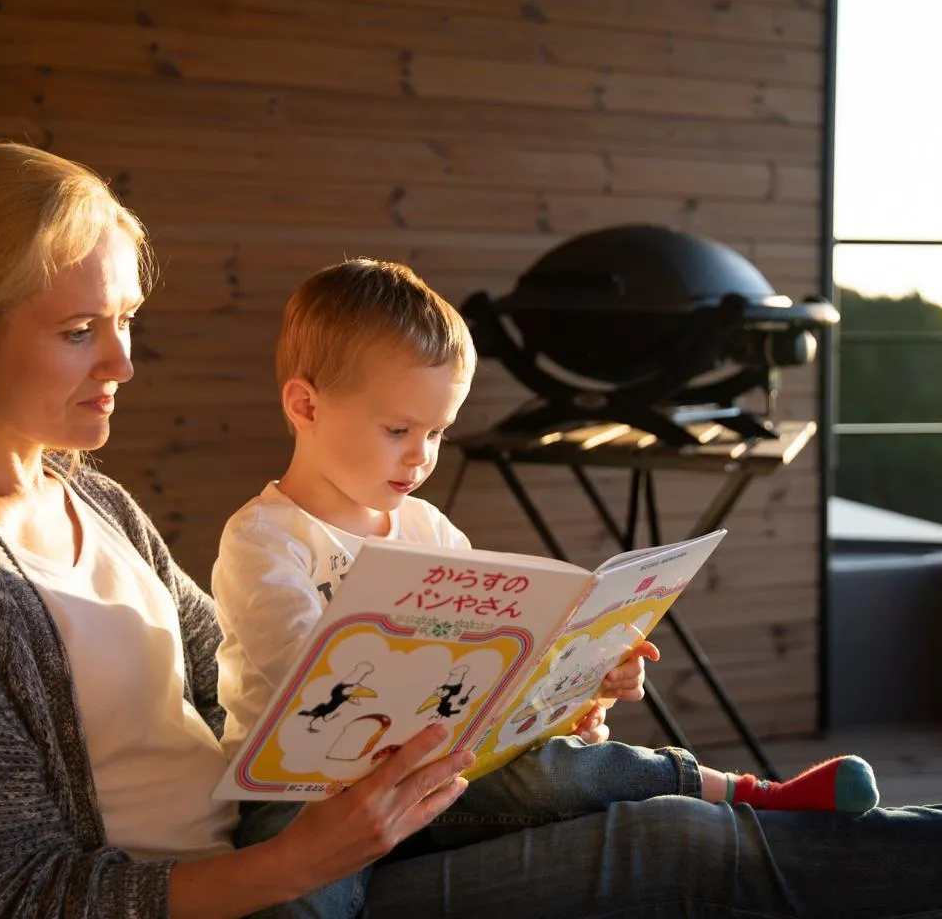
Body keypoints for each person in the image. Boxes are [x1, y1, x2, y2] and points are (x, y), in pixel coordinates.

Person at [0, 142, 942, 919]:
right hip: (260, 898)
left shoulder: (91, 500)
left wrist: (515, 682)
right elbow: (8, 896)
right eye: (80, 331)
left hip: (312, 843)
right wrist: (298, 862)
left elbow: (257, 697)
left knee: (647, 793)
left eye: (127, 325)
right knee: (694, 858)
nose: (122, 368)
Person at [212, 258, 881, 913]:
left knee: (551, 773)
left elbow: (494, 664)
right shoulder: (266, 540)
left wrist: (575, 684)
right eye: (398, 430)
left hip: (433, 775)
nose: (421, 455)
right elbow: (304, 678)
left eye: (437, 432)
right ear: (305, 405)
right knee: (292, 898)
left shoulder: (429, 530)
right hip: (305, 793)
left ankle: (749, 794)